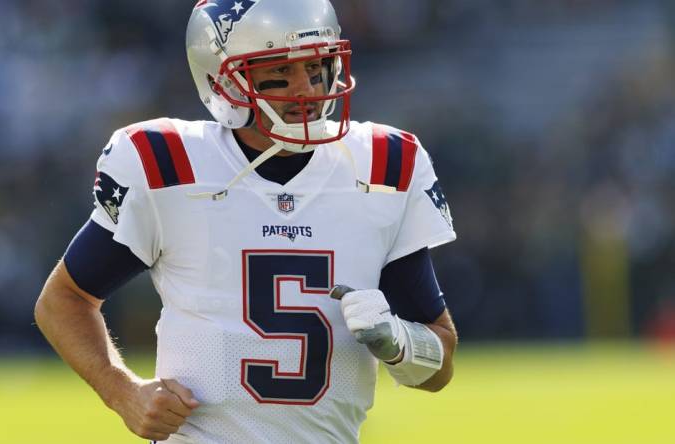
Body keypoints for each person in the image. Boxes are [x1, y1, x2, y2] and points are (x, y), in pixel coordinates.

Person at [34, 0, 458, 442]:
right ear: (224, 80)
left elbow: (440, 365)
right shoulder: (169, 164)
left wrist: (400, 344)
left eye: (317, 66)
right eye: (279, 71)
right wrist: (123, 393)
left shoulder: (385, 166)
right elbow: (63, 301)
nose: (307, 89)